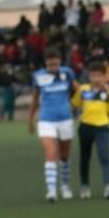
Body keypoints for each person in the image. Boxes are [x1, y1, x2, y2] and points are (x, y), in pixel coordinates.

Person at [28, 48, 78, 202]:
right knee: (50, 154)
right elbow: (35, 99)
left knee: (64, 156)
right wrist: (30, 119)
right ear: (45, 63)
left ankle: (65, 186)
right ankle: (51, 191)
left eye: (55, 64)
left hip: (65, 119)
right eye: (50, 65)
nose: (53, 68)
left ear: (60, 62)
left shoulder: (67, 73)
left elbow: (79, 90)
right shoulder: (38, 76)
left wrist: (73, 104)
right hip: (46, 120)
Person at [71, 61, 109, 199]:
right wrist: (69, 122)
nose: (96, 79)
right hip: (85, 127)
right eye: (93, 76)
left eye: (99, 76)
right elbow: (73, 106)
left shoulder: (108, 93)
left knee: (104, 156)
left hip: (101, 128)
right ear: (89, 76)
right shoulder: (83, 90)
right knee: (85, 158)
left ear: (104, 77)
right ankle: (85, 186)